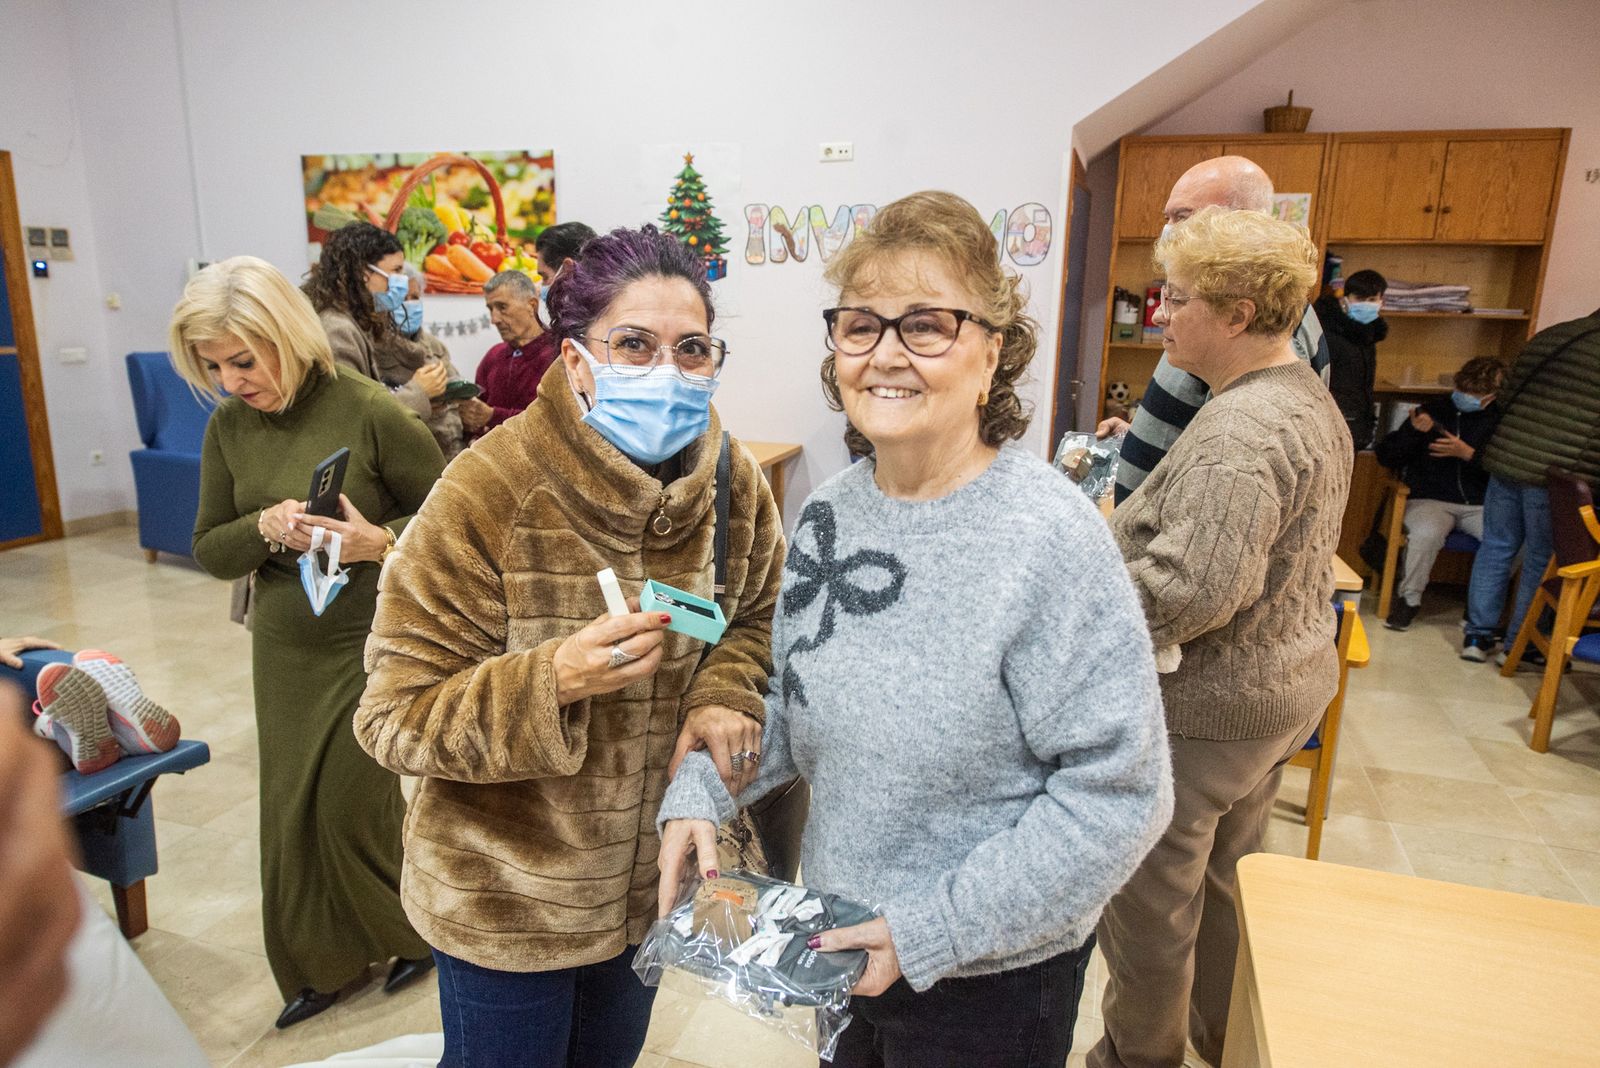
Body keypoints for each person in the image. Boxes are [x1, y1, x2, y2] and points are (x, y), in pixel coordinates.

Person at [658, 191, 1173, 1068]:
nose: (886, 354)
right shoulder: (829, 516)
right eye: (861, 325)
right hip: (840, 943)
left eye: (926, 325)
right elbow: (793, 705)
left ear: (991, 354)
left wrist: (928, 929)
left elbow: (1121, 794)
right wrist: (703, 792)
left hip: (989, 975)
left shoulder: (1046, 538)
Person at [355, 224, 785, 1068]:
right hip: (507, 904)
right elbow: (393, 716)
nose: (668, 370)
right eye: (633, 343)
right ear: (576, 357)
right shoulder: (491, 489)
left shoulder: (731, 482)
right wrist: (552, 679)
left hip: (643, 893)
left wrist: (721, 691)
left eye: (692, 348)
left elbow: (755, 615)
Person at [1089, 207, 1351, 1068]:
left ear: (1237, 314)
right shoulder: (1302, 394)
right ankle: (1222, 1035)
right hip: (1280, 690)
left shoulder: (1241, 433)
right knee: (1228, 876)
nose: (1163, 314)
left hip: (1208, 710)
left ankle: (1140, 1055)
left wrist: (1074, 596)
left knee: (1152, 907)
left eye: (1180, 298)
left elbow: (1192, 590)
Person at [168, 256, 445, 1028]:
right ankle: (320, 964)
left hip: (367, 638)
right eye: (213, 364)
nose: (230, 381)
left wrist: (375, 542)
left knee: (351, 804)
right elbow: (209, 548)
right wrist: (262, 526)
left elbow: (453, 522)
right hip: (284, 641)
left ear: (286, 337)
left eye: (243, 360)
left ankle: (412, 935)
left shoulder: (370, 411)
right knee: (291, 811)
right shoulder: (229, 426)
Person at [1104, 156, 1331, 503]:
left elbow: (1232, 468)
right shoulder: (1219, 307)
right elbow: (1201, 428)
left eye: (1183, 217)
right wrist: (1144, 437)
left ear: (1238, 222)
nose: (1161, 317)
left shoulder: (1274, 328)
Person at [1461, 306, 1600, 662]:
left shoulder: (1553, 334)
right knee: (1540, 557)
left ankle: (1476, 638)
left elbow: (1505, 395)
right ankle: (1519, 646)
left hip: (1507, 456)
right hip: (1558, 472)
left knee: (1496, 546)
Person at [1374, 356, 1506, 631]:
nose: (1466, 397)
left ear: (1490, 397)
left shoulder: (1500, 420)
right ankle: (1408, 600)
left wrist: (1469, 454)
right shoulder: (1432, 411)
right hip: (1430, 499)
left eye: (1475, 394)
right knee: (1425, 535)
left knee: (1506, 542)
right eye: (1463, 391)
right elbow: (1388, 457)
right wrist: (1411, 432)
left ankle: (1481, 611)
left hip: (1479, 503)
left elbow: (1506, 469)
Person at [302, 222, 453, 427]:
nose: (402, 280)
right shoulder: (338, 331)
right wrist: (418, 391)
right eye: (396, 270)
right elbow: (352, 418)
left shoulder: (353, 323)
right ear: (364, 273)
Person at [474, 269, 557, 432]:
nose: (494, 319)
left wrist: (493, 416)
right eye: (490, 309)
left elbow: (554, 422)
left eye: (502, 307)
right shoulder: (493, 356)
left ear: (532, 305)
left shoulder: (558, 355)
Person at [1318, 268, 1389, 452]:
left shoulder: (1368, 335)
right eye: (1360, 298)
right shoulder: (1327, 333)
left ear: (1382, 301)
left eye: (1372, 300)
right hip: (1329, 428)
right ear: (1345, 299)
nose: (1366, 304)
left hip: (1356, 425)